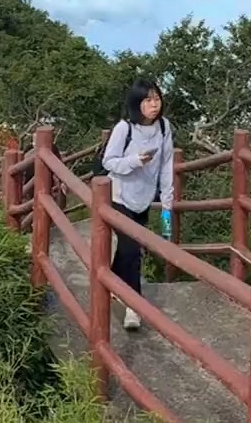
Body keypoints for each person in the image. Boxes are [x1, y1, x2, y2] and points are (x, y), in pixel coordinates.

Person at [101, 78, 174, 331]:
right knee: (132, 251)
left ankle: (111, 281)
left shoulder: (164, 128)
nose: (154, 105)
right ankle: (134, 307)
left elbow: (167, 165)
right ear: (136, 103)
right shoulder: (124, 128)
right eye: (148, 100)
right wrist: (134, 161)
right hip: (119, 196)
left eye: (157, 98)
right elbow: (109, 162)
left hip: (143, 198)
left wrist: (167, 201)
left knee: (126, 251)